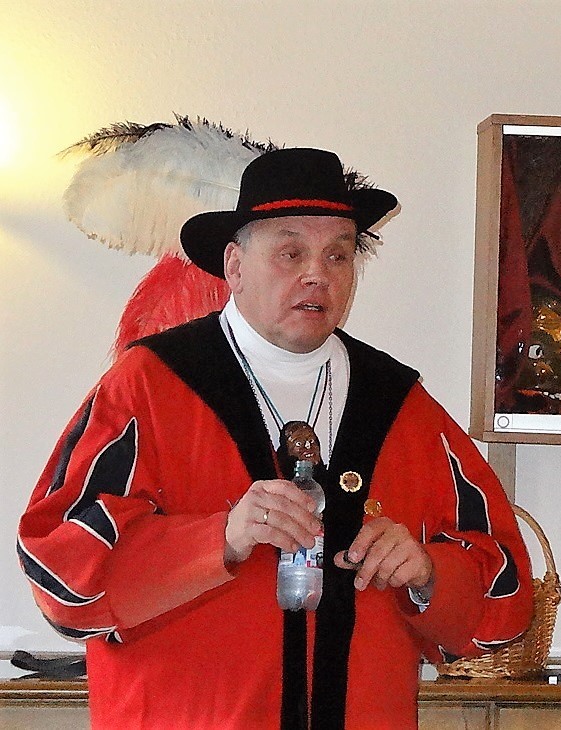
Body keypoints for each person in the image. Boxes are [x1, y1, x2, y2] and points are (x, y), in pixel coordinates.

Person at [17, 147, 533, 730]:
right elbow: (60, 569)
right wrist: (220, 537)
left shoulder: (400, 402)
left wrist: (428, 572)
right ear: (234, 265)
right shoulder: (149, 384)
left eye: (338, 255)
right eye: (291, 252)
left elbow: (504, 597)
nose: (317, 274)